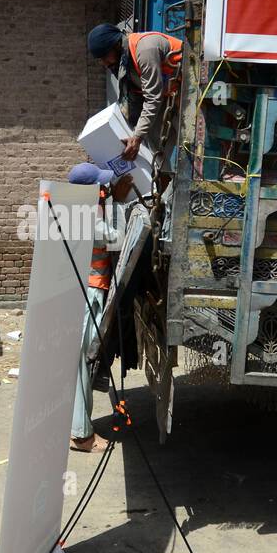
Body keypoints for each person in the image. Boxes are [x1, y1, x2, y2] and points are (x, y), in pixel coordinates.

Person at [68, 163, 132, 453]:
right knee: (80, 361)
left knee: (79, 361)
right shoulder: (84, 217)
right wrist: (118, 201)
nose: (105, 189)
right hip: (87, 292)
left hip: (86, 290)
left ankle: (78, 427)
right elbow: (116, 239)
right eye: (101, 186)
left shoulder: (78, 211)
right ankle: (81, 436)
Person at [87, 23, 184, 163]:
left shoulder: (145, 49)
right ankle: (165, 175)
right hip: (169, 96)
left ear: (116, 45)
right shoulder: (123, 62)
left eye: (104, 57)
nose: (104, 63)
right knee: (155, 139)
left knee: (188, 140)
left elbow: (152, 99)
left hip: (188, 91)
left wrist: (137, 137)